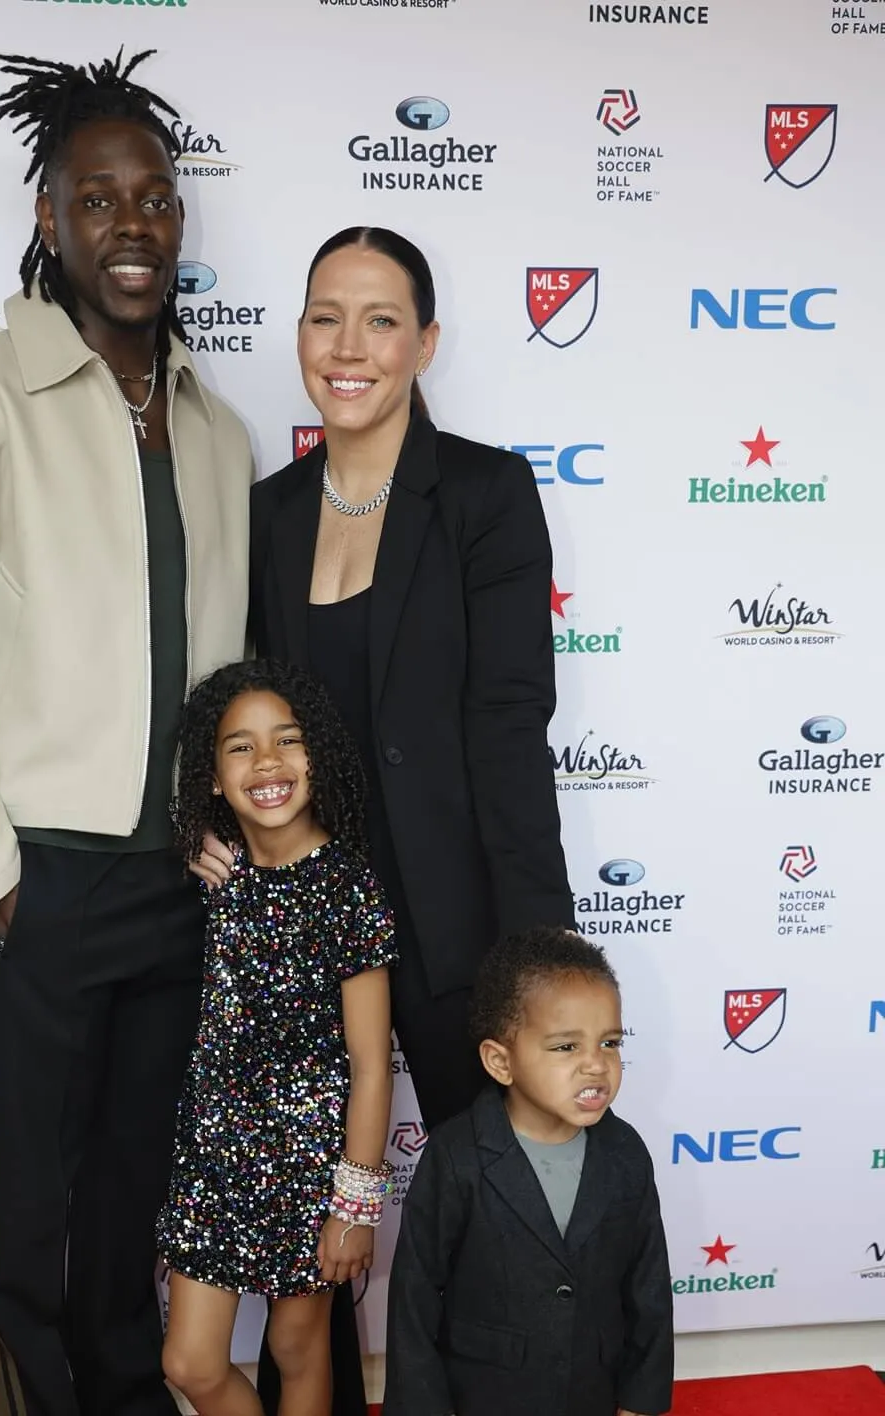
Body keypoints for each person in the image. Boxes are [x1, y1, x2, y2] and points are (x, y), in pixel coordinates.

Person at [0, 50, 254, 1416]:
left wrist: (217, 833)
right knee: (26, 1220)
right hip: (41, 881)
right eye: (98, 199)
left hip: (173, 886)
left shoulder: (215, 429)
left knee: (133, 1193)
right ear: (48, 219)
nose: (131, 227)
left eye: (155, 200)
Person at [192, 226, 576, 1411]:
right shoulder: (265, 512)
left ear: (425, 340)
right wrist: (194, 825)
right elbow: (238, 710)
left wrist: (540, 954)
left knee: (497, 1206)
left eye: (378, 319)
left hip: (465, 914)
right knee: (312, 1243)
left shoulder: (485, 493)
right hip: (312, 927)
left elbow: (512, 726)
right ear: (297, 334)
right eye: (324, 316)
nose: (347, 347)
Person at [157, 659, 397, 1416]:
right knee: (191, 1363)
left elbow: (371, 1067)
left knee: (298, 1350)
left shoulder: (346, 886)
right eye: (240, 747)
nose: (267, 762)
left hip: (309, 1168)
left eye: (287, 740)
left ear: (316, 755)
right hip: (213, 1163)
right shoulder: (212, 876)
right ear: (211, 776)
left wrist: (353, 1206)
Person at [383, 926, 673, 1416]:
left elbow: (648, 1289)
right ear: (501, 1061)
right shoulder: (457, 1156)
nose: (595, 1066)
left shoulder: (626, 1154)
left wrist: (639, 1401)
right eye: (566, 1047)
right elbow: (414, 1302)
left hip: (592, 1395)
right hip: (484, 1397)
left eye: (608, 1043)